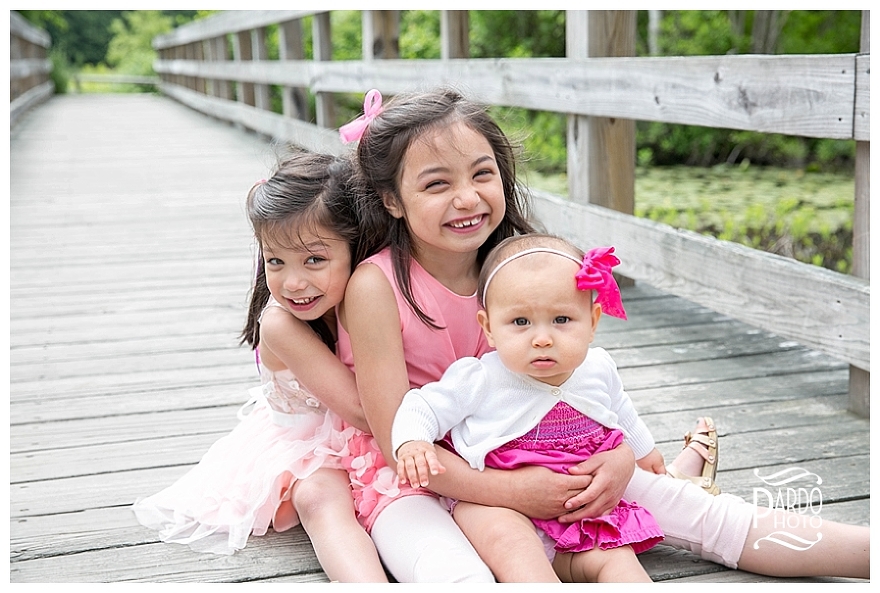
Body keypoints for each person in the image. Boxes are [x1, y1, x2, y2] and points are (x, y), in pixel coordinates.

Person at [336, 86, 869, 582]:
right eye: (436, 183)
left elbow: (582, 384)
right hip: (432, 472)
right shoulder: (377, 286)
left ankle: (863, 549)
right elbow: (397, 438)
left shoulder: (521, 264)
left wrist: (619, 458)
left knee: (709, 517)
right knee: (458, 572)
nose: (467, 198)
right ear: (392, 199)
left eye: (482, 174)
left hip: (551, 452)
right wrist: (515, 491)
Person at [132, 152, 388, 582]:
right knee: (321, 498)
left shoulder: (369, 293)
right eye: (276, 262)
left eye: (314, 260)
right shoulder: (281, 324)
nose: (293, 282)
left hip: (372, 422)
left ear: (356, 246)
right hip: (307, 439)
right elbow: (362, 412)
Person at [393, 234, 665, 582]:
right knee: (513, 545)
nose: (542, 338)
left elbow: (619, 410)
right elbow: (423, 404)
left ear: (593, 322)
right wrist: (413, 441)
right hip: (498, 505)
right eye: (520, 322)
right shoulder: (480, 377)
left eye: (562, 320)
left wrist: (645, 451)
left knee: (619, 563)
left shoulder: (597, 368)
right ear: (489, 328)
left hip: (577, 514)